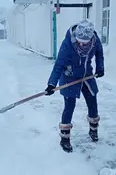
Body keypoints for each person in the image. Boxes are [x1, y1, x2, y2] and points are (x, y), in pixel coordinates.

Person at [45, 19, 105, 153]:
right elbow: (59, 64)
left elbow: (99, 53)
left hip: (86, 75)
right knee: (69, 106)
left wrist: (100, 68)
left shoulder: (95, 41)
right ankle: (65, 138)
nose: (81, 43)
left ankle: (93, 130)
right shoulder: (68, 43)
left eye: (84, 42)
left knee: (92, 102)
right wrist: (51, 84)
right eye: (79, 40)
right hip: (69, 76)